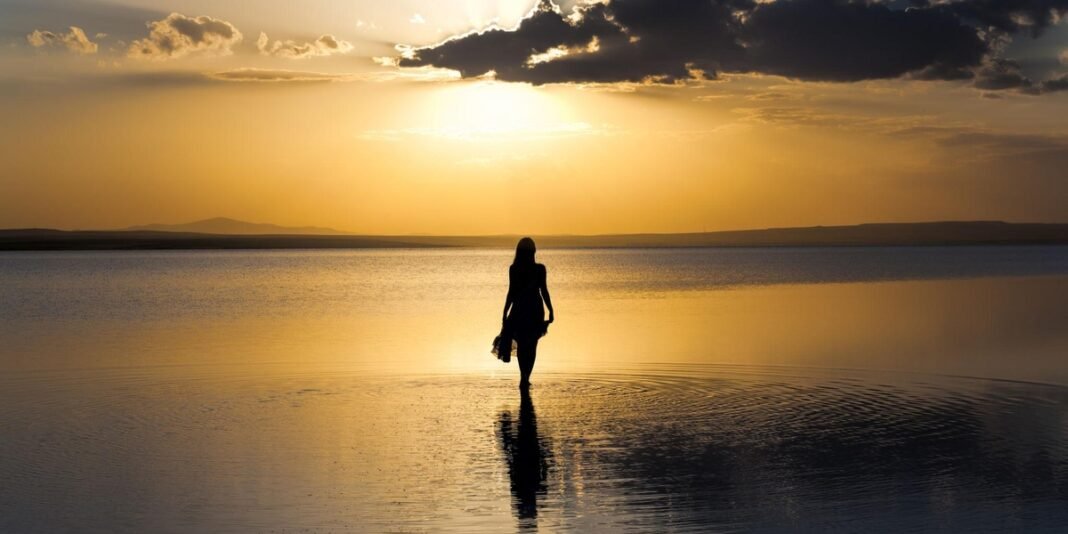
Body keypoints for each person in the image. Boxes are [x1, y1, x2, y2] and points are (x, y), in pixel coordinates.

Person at [500, 237, 554, 388]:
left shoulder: (515, 268)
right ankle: (525, 377)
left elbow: (511, 292)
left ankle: (523, 376)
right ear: (533, 252)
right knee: (531, 345)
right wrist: (550, 309)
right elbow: (543, 291)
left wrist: (505, 312)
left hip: (520, 309)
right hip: (534, 309)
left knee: (523, 345)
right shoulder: (539, 269)